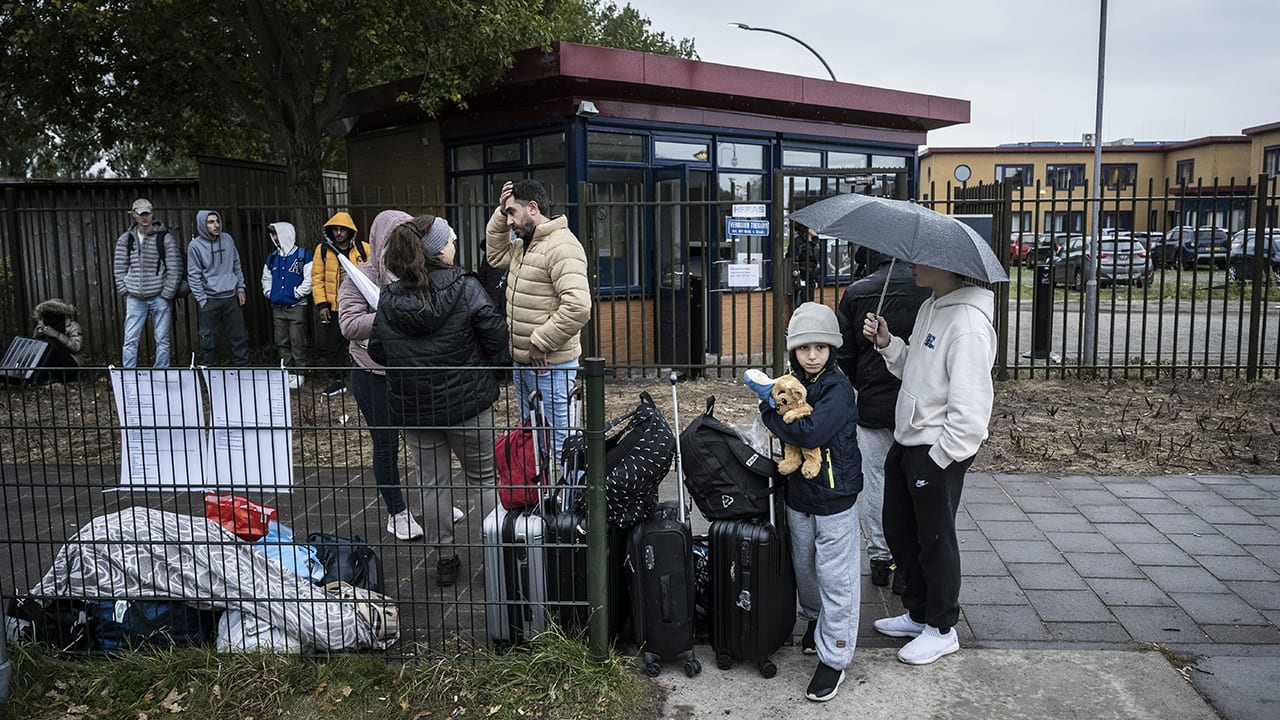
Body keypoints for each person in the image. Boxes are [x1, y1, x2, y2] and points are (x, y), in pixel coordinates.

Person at [862, 263, 996, 666]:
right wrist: (888, 344)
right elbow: (915, 371)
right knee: (901, 531)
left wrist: (940, 458)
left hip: (935, 450)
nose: (913, 267)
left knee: (935, 540)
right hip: (908, 441)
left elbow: (972, 408)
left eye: (922, 262)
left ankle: (941, 628)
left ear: (948, 266)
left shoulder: (969, 323)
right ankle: (918, 613)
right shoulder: (930, 308)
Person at [368, 215, 510, 586]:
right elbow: (496, 337)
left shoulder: (389, 298)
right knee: (485, 480)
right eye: (449, 240)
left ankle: (445, 560)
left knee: (432, 484)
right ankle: (496, 558)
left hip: (417, 411)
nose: (453, 245)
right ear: (434, 251)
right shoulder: (465, 286)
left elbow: (378, 351)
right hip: (469, 404)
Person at [747, 302, 862, 703]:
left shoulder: (838, 389)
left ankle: (836, 656)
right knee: (806, 569)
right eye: (803, 348)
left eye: (820, 347)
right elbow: (785, 413)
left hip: (834, 496)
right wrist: (772, 406)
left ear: (832, 348)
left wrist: (767, 413)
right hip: (798, 495)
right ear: (793, 351)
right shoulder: (791, 381)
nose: (812, 355)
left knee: (836, 577)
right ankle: (815, 622)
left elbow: (810, 432)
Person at [339, 210, 456, 542]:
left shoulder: (413, 274)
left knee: (425, 439)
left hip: (409, 370)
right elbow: (348, 324)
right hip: (372, 374)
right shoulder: (358, 276)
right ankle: (397, 512)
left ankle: (434, 502)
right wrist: (391, 316)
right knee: (386, 444)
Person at [836, 254, 931, 592]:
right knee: (914, 482)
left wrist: (859, 385)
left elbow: (843, 354)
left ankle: (880, 557)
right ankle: (910, 562)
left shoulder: (858, 292)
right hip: (919, 404)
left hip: (874, 403)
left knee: (876, 480)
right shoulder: (929, 293)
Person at [485, 179, 591, 461]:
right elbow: (494, 255)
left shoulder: (561, 246)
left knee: (560, 444)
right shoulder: (523, 245)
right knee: (534, 443)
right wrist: (499, 210)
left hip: (550, 365)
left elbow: (578, 306)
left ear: (532, 208)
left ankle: (570, 503)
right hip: (525, 362)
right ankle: (544, 502)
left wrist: (541, 342)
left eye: (511, 213)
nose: (509, 222)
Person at [113, 198, 181, 368]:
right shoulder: (125, 239)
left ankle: (161, 375)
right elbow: (119, 267)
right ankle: (129, 377)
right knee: (130, 340)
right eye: (141, 214)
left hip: (159, 296)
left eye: (147, 214)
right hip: (135, 297)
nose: (144, 217)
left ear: (152, 214)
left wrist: (166, 294)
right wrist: (125, 290)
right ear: (134, 215)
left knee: (162, 340)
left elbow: (175, 267)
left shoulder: (165, 238)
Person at [313, 211, 368, 396]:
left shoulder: (363, 248)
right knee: (334, 345)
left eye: (342, 229)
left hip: (360, 306)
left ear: (349, 231)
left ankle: (365, 376)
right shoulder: (322, 250)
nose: (338, 233)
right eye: (335, 229)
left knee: (363, 343)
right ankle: (337, 381)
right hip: (334, 307)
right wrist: (321, 305)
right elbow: (317, 278)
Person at [187, 210, 249, 366]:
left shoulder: (227, 239)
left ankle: (245, 376)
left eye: (217, 221)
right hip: (211, 299)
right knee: (209, 341)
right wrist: (202, 300)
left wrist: (240, 288)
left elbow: (236, 264)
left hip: (230, 297)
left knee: (239, 338)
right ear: (203, 225)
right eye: (211, 222)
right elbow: (193, 275)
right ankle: (212, 378)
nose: (216, 225)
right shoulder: (195, 246)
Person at [260, 221, 312, 388]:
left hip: (296, 306)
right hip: (278, 307)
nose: (275, 238)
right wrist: (269, 293)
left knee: (297, 340)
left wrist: (297, 293)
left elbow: (309, 278)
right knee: (282, 340)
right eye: (272, 234)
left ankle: (299, 372)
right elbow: (266, 278)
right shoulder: (272, 257)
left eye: (277, 233)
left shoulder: (303, 255)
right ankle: (287, 371)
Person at [31, 298, 84, 383]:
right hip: (51, 365)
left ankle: (39, 379)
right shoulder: (44, 325)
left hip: (70, 365)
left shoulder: (73, 326)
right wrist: (37, 335)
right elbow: (35, 349)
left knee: (52, 343)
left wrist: (56, 335)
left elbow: (76, 347)